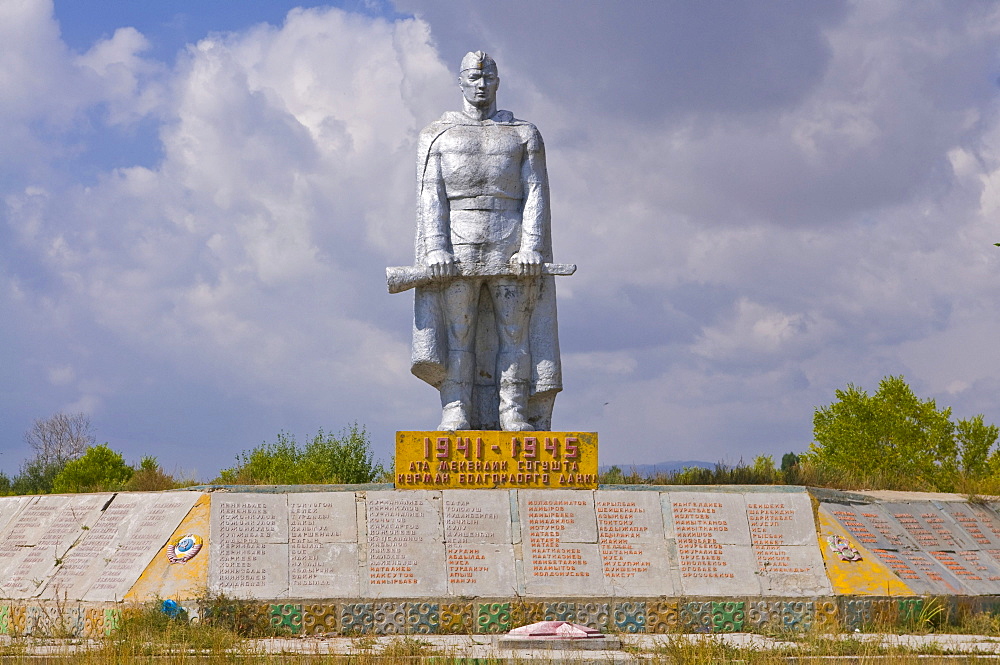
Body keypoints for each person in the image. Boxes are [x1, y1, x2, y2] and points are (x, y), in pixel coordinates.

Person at [410, 51, 562, 431]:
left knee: (516, 333)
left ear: (497, 82)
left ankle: (513, 412)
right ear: (460, 82)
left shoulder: (523, 133)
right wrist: (436, 247)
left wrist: (531, 245)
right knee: (457, 333)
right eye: (473, 79)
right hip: (458, 244)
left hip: (509, 243)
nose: (481, 85)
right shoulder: (437, 134)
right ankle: (455, 410)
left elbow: (536, 192)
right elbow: (430, 195)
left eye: (488, 78)